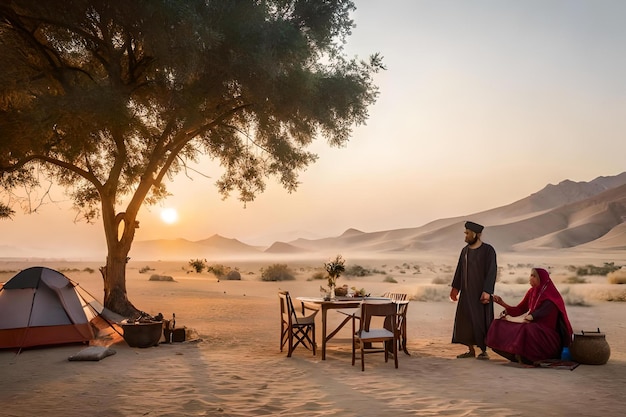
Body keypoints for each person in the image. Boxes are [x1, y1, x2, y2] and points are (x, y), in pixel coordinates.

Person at [487, 267, 573, 364]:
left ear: (541, 279)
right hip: (533, 328)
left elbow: (541, 312)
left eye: (534, 276)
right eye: (531, 275)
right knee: (498, 323)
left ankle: (527, 356)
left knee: (526, 329)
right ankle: (512, 352)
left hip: (548, 336)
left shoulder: (551, 295)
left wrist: (531, 317)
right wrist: (503, 304)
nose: (530, 278)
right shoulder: (531, 292)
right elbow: (520, 309)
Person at [449, 221, 497, 360]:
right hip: (466, 294)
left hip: (481, 294)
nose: (465, 235)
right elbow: (459, 270)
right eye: (465, 233)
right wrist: (455, 288)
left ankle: (483, 351)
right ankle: (470, 349)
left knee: (481, 322)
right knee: (466, 322)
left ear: (477, 234)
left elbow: (491, 272)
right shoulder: (465, 251)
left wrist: (487, 291)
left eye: (467, 233)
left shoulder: (488, 250)